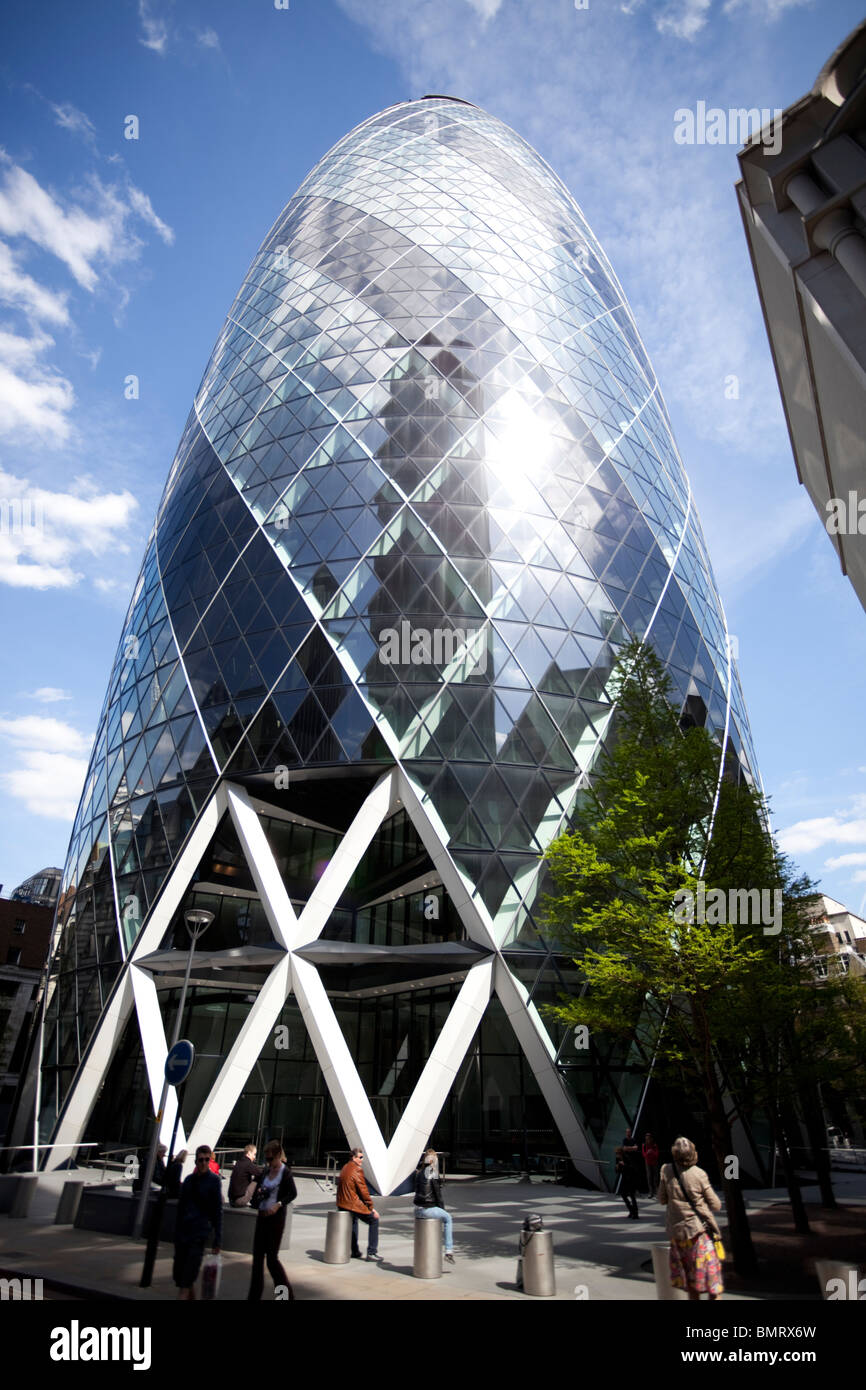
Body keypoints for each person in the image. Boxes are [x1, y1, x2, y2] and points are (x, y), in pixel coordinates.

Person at [657, 1136, 724, 1301]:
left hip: (678, 1237)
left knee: (691, 1285)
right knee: (713, 1284)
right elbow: (716, 1205)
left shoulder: (666, 1170)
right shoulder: (699, 1174)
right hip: (697, 1234)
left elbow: (662, 1198)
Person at [247, 1139, 297, 1300]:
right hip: (262, 1218)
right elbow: (256, 1194)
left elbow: (292, 1193)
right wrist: (258, 1195)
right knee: (257, 1261)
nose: (268, 1162)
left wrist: (278, 1204)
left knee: (272, 1261)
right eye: (266, 1159)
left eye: (270, 1159)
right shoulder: (265, 1172)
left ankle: (284, 1296)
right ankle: (254, 1297)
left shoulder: (285, 1172)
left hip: (275, 1220)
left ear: (277, 1156)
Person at [173, 1145, 222, 1301]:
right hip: (183, 1234)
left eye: (207, 1160)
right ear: (196, 1161)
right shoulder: (189, 1180)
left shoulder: (214, 1181)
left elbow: (217, 1211)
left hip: (199, 1235)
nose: (203, 1163)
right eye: (201, 1160)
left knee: (186, 1282)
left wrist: (217, 1238)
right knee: (181, 1277)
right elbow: (181, 1208)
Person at [337, 1147, 380, 1261]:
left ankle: (355, 1251)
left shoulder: (345, 1167)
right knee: (374, 1220)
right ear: (353, 1157)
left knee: (353, 1222)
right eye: (360, 1157)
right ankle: (372, 1252)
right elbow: (363, 1191)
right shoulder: (357, 1169)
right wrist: (371, 1208)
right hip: (351, 1203)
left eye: (362, 1157)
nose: (362, 1160)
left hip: (342, 1203)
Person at [413, 1148, 455, 1263]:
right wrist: (443, 1210)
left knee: (441, 1215)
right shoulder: (433, 1173)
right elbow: (438, 1195)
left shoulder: (419, 1173)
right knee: (448, 1218)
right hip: (428, 1209)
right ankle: (449, 1251)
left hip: (417, 1209)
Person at [615, 1146, 639, 1219]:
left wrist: (624, 1165)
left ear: (621, 1153)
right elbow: (618, 1171)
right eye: (616, 1154)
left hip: (631, 1178)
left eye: (618, 1153)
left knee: (632, 1195)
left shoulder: (627, 1158)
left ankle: (635, 1213)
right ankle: (631, 1210)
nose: (617, 1155)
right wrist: (617, 1168)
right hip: (625, 1178)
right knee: (623, 1194)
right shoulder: (618, 1159)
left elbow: (632, 1168)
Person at [622, 1126, 644, 1191]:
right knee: (626, 1175)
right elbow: (624, 1148)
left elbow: (636, 1148)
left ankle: (633, 1190)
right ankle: (626, 1190)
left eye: (629, 1132)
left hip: (633, 1160)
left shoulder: (633, 1140)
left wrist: (629, 1148)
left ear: (631, 1133)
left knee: (633, 1176)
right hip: (626, 1160)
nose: (628, 1133)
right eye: (627, 1132)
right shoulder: (624, 1140)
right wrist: (632, 1148)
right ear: (626, 1133)